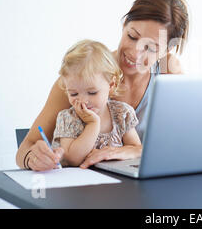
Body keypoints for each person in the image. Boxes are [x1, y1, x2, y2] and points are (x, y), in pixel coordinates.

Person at [16, 0, 190, 171]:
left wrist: (133, 151)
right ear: (124, 25)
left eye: (151, 48)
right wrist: (32, 158)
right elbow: (24, 149)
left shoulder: (168, 72)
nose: (135, 53)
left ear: (167, 50)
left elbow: (185, 145)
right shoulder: (81, 76)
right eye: (132, 37)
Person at [48, 39, 141, 168]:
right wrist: (93, 124)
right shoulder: (68, 118)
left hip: (116, 179)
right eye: (73, 94)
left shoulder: (122, 114)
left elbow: (136, 149)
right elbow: (73, 159)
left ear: (111, 85)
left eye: (92, 93)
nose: (83, 101)